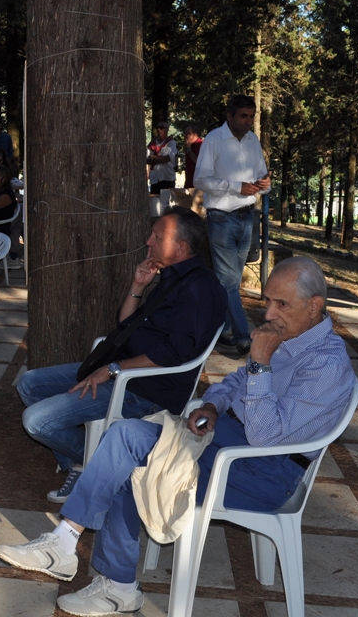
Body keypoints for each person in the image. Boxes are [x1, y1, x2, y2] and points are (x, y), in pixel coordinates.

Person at [0, 257, 357, 616]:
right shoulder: (288, 337)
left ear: (315, 307)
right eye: (266, 301)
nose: (269, 314)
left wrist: (260, 364)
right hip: (221, 441)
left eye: (282, 304)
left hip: (259, 471)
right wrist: (213, 406)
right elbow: (233, 382)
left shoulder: (325, 364)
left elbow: (264, 437)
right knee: (124, 443)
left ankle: (89, 563)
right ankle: (90, 563)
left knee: (129, 457)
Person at [17, 207, 225, 502]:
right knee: (30, 384)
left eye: (157, 237)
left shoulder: (200, 289)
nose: (148, 242)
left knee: (36, 421)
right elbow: (127, 326)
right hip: (122, 372)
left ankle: (98, 465)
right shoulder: (171, 277)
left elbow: (174, 352)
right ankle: (79, 463)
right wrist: (137, 287)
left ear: (181, 247)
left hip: (146, 388)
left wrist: (114, 369)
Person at [195, 94, 270, 357]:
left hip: (247, 216)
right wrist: (236, 186)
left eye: (251, 116)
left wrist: (263, 184)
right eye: (243, 116)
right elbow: (201, 179)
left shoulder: (253, 141)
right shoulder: (215, 139)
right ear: (230, 116)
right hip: (222, 217)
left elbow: (263, 176)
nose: (248, 121)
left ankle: (219, 329)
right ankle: (242, 335)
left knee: (230, 281)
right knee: (228, 282)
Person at [147, 121, 178, 194]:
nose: (159, 129)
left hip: (167, 178)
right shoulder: (152, 143)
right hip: (155, 178)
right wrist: (158, 159)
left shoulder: (171, 143)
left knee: (166, 202)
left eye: (161, 128)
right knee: (154, 201)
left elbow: (166, 159)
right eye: (157, 128)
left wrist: (152, 156)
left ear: (167, 130)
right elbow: (146, 159)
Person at [183, 124, 204, 189]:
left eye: (188, 133)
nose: (185, 135)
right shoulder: (189, 145)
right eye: (185, 133)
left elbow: (198, 161)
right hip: (189, 181)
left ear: (195, 134)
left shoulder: (200, 145)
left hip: (198, 183)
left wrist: (189, 150)